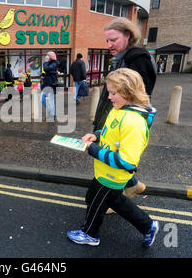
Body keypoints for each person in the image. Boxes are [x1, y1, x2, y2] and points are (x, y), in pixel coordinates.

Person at [67, 68, 159, 247]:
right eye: (109, 92)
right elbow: (111, 132)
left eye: (113, 93)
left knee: (95, 200)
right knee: (114, 201)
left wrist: (92, 149)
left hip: (113, 176)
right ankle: (148, 226)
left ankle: (90, 234)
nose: (109, 97)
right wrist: (96, 136)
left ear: (128, 92)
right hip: (105, 171)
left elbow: (127, 161)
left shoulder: (134, 122)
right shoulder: (119, 109)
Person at [92, 18, 157, 204]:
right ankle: (132, 185)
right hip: (113, 116)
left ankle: (116, 203)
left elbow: (140, 96)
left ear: (128, 36)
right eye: (107, 41)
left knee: (115, 163)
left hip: (122, 121)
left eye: (113, 39)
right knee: (110, 161)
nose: (109, 45)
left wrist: (115, 123)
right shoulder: (123, 58)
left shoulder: (137, 60)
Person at [41, 51, 59, 118]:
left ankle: (53, 114)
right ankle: (49, 109)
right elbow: (46, 70)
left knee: (51, 100)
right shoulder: (48, 63)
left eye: (48, 56)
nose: (46, 57)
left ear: (51, 57)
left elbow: (46, 68)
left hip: (51, 84)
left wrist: (45, 62)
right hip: (46, 84)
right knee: (42, 99)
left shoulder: (54, 63)